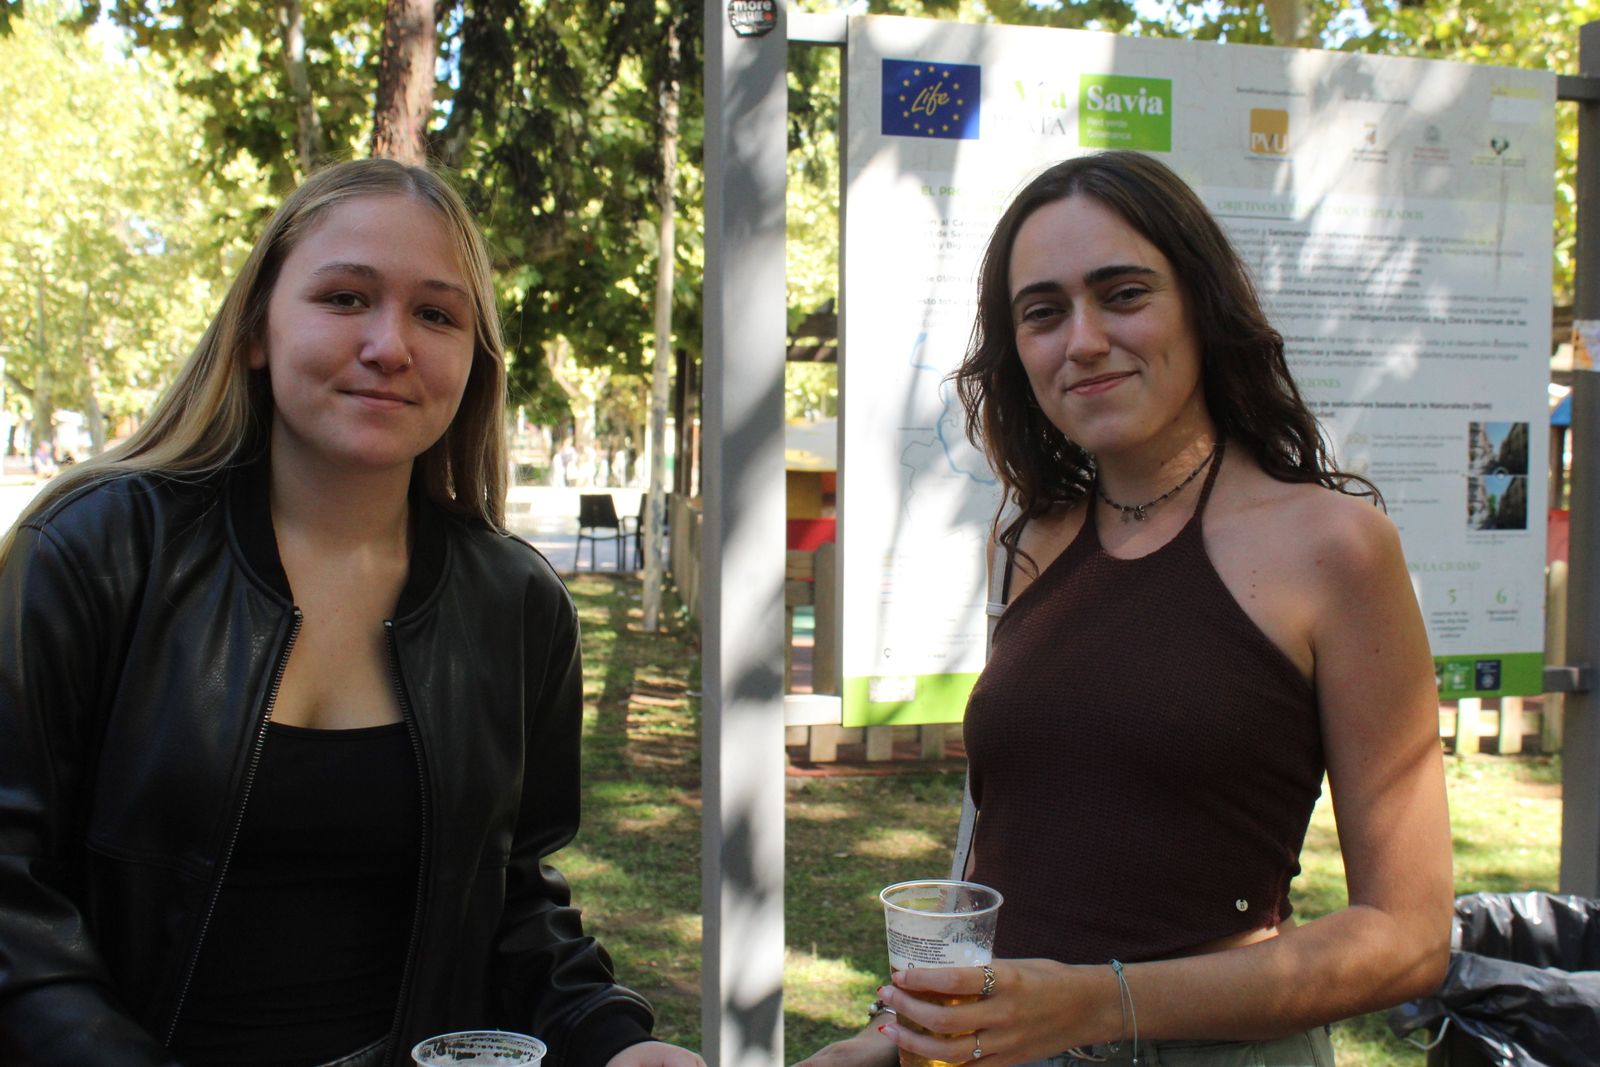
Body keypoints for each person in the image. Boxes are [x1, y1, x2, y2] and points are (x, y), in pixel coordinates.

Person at [0, 158, 705, 1067]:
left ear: (474, 360)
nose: (390, 345)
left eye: (436, 314)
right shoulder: (93, 551)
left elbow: (512, 901)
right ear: (256, 329)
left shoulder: (519, 607)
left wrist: (614, 1042)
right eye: (344, 298)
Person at [801, 151, 1451, 1067]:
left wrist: (1098, 1004)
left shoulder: (1336, 548)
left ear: (1201, 304)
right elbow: (1011, 862)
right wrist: (891, 1033)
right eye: (1044, 312)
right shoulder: (1026, 545)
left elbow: (1410, 934)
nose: (1084, 339)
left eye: (1123, 293)